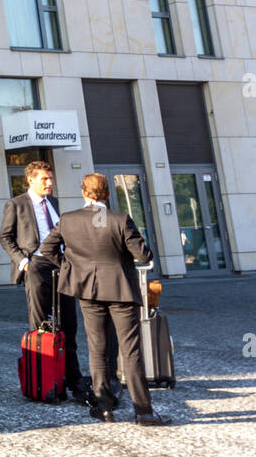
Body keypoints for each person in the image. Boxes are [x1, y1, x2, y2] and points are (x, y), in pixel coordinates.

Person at [37, 173, 170, 426]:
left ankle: (104, 408)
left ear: (83, 193)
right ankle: (143, 412)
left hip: (88, 291)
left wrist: (71, 268)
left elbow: (47, 249)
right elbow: (143, 254)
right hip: (121, 290)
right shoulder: (120, 219)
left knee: (97, 349)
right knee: (130, 351)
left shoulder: (68, 220)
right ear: (108, 194)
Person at [0, 161, 89, 403]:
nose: (49, 183)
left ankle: (73, 377)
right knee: (41, 324)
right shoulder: (16, 204)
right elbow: (5, 237)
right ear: (30, 180)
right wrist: (23, 262)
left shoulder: (54, 203)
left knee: (69, 322)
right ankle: (44, 378)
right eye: (44, 179)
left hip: (60, 264)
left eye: (50, 178)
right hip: (35, 264)